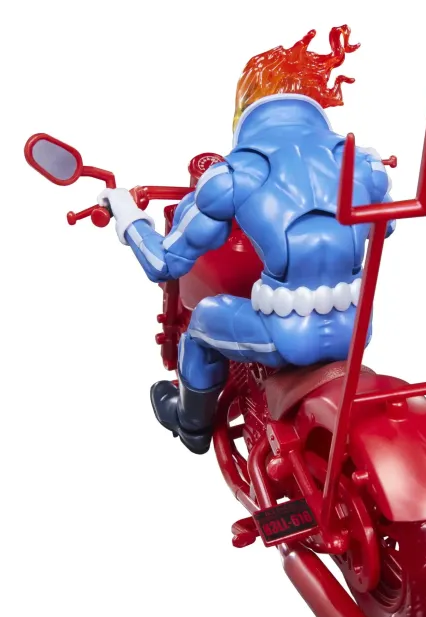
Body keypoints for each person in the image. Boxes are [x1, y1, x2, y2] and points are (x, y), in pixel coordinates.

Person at [98, 26, 395, 454]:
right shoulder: (362, 161)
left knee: (201, 325)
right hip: (356, 326)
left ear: (245, 105)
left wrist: (127, 215)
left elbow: (164, 264)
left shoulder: (235, 173)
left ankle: (192, 426)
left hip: (282, 333)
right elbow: (386, 226)